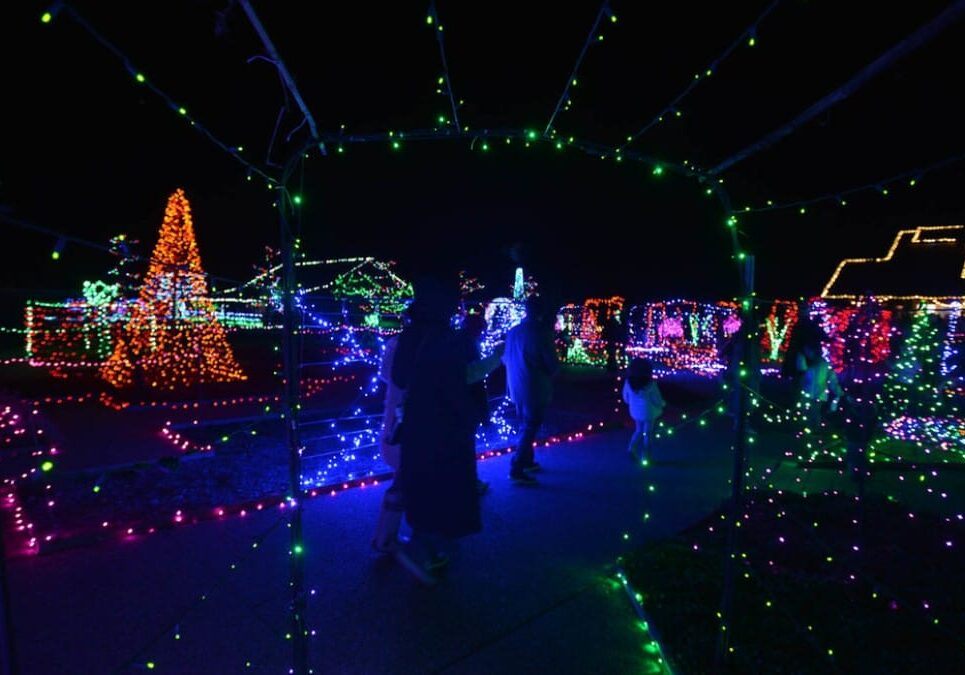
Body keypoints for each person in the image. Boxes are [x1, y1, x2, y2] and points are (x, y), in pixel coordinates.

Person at [390, 273, 502, 585]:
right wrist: (495, 360)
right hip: (446, 424)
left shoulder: (411, 334)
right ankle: (426, 548)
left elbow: (399, 378)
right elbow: (462, 379)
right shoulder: (446, 338)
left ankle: (423, 544)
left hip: (417, 421)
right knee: (444, 484)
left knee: (422, 481)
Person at [502, 294, 560, 485]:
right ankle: (517, 467)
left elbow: (504, 358)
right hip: (534, 386)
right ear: (541, 311)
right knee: (530, 426)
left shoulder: (513, 331)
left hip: (516, 385)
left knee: (525, 424)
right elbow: (551, 364)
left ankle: (526, 461)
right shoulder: (541, 332)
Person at [622, 358, 665, 463]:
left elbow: (625, 398)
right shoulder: (650, 384)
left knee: (638, 430)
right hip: (649, 412)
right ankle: (645, 455)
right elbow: (657, 400)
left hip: (635, 411)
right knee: (647, 433)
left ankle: (631, 448)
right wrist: (663, 404)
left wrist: (631, 402)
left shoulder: (628, 383)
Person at [796, 341, 843, 430]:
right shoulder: (806, 362)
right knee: (806, 414)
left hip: (818, 395)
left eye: (809, 351)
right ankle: (808, 430)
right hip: (807, 394)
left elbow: (832, 381)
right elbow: (801, 375)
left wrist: (839, 392)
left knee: (814, 414)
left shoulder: (825, 365)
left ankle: (814, 430)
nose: (807, 353)